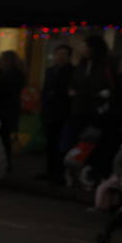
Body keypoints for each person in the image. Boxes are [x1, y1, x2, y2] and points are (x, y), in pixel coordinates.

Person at [39, 44, 76, 185]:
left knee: (60, 144)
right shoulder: (50, 71)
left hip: (62, 112)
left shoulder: (71, 71)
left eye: (63, 54)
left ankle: (58, 173)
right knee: (50, 143)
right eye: (58, 54)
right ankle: (50, 170)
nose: (60, 57)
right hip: (50, 112)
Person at [0, 50, 25, 168]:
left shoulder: (9, 75)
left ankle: (4, 163)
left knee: (3, 137)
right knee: (5, 137)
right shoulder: (17, 73)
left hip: (4, 109)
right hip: (10, 109)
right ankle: (6, 163)